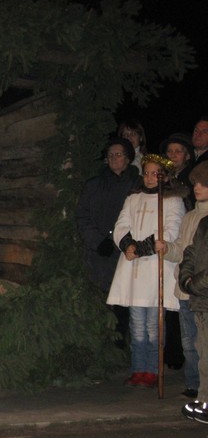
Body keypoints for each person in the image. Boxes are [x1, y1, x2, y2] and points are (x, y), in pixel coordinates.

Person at [107, 154, 185, 388]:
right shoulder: (133, 198)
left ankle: (152, 370)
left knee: (153, 325)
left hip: (154, 267)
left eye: (155, 174)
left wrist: (142, 248)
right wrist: (127, 245)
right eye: (147, 173)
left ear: (165, 176)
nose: (150, 178)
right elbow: (121, 225)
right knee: (137, 325)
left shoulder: (172, 201)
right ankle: (138, 369)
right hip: (133, 268)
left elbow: (172, 230)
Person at [76, 138, 140, 348]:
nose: (113, 158)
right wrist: (96, 240)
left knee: (124, 306)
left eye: (118, 154)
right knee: (100, 302)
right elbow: (83, 216)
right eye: (110, 155)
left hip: (127, 254)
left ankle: (121, 348)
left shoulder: (138, 185)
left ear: (128, 158)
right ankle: (99, 349)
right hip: (99, 254)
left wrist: (126, 242)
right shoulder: (93, 185)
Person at [156, 161, 208, 400]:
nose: (197, 187)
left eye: (203, 184)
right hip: (185, 289)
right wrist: (167, 248)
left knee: (203, 345)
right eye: (195, 183)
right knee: (189, 343)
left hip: (202, 291)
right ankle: (193, 385)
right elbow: (183, 250)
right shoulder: (189, 217)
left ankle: (204, 392)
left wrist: (194, 282)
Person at [179, 212, 208, 423]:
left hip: (202, 293)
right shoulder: (205, 223)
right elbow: (191, 251)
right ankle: (205, 400)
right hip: (201, 302)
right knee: (204, 354)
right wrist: (186, 277)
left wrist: (195, 284)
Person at [160, 132, 195, 211]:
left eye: (178, 151)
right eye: (169, 151)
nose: (173, 155)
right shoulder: (160, 175)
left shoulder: (191, 179)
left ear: (188, 156)